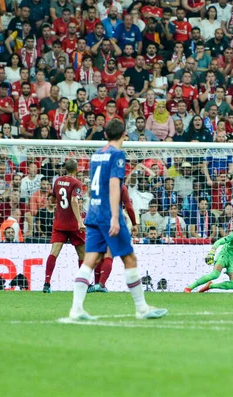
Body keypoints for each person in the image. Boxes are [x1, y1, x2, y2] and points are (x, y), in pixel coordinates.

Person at [67, 119, 167, 321]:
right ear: (124, 135)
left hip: (93, 213)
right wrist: (115, 216)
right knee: (129, 258)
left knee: (89, 261)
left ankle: (76, 309)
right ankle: (141, 308)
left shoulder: (97, 155)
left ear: (105, 135)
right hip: (107, 213)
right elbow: (114, 186)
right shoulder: (117, 155)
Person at [43, 159, 86, 293]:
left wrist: (52, 203)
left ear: (65, 168)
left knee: (54, 252)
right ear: (76, 169)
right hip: (73, 224)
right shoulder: (77, 183)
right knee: (82, 254)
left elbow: (54, 199)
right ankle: (83, 284)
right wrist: (80, 221)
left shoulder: (57, 181)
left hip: (60, 223)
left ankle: (47, 283)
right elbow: (74, 200)